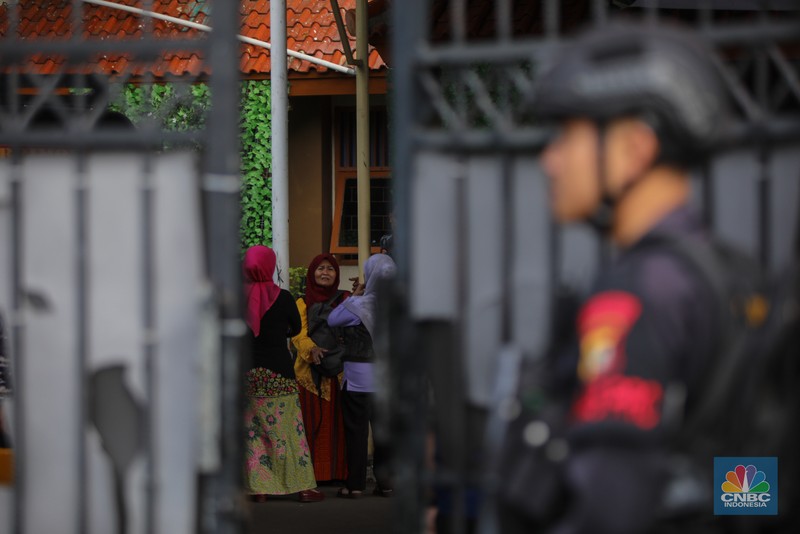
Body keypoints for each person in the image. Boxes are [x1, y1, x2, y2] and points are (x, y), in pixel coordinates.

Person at [499, 23, 735, 533]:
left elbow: (608, 507)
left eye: (568, 136)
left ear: (634, 149)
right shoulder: (724, 274)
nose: (550, 159)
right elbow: (748, 480)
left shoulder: (640, 293)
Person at [242, 245, 323, 503]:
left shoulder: (236, 298)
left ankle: (260, 488)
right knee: (288, 429)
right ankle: (303, 488)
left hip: (247, 373)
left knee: (254, 431)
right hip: (278, 371)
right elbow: (296, 328)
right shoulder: (284, 297)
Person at [328, 253, 395, 499]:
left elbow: (333, 319)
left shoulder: (360, 305)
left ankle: (355, 485)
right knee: (384, 434)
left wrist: (356, 295)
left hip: (357, 380)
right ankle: (386, 483)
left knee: (356, 434)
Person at [291, 253, 349, 483]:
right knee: (310, 423)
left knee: (339, 426)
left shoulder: (345, 299)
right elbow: (298, 335)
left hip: (340, 373)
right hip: (308, 375)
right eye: (320, 268)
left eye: (330, 269)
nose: (325, 273)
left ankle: (336, 474)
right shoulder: (302, 302)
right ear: (312, 272)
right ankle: (309, 476)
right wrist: (312, 350)